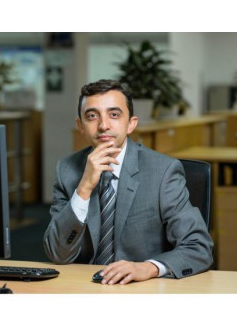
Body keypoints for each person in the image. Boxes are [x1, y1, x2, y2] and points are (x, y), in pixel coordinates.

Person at [43, 79, 214, 285]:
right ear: (80, 125)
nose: (103, 125)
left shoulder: (163, 171)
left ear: (131, 123)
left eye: (114, 115)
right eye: (92, 116)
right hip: (85, 287)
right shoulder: (67, 170)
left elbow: (198, 248)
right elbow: (57, 253)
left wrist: (148, 267)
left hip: (142, 289)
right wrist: (84, 187)